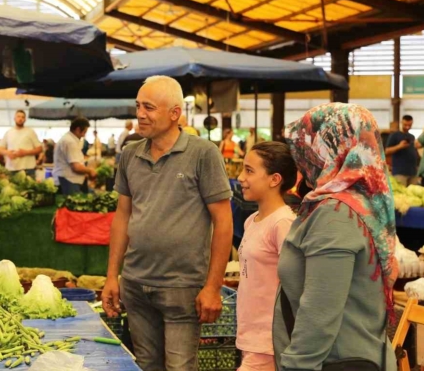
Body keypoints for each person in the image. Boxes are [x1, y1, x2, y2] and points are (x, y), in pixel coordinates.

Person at [102, 75, 234, 371]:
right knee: (146, 364)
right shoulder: (130, 155)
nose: (140, 114)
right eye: (138, 106)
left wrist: (213, 286)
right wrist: (112, 276)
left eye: (149, 107)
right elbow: (122, 216)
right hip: (135, 284)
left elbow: (224, 222)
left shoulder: (203, 154)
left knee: (179, 367)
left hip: (182, 287)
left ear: (175, 113)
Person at [274, 103, 397, 371]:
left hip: (336, 361)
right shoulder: (364, 205)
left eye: (307, 149)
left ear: (328, 148)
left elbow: (319, 313)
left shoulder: (335, 213)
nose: (302, 160)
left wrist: (296, 366)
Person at [235, 142, 297, 371]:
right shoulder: (251, 221)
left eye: (249, 171)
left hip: (269, 341)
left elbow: (295, 285)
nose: (241, 178)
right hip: (250, 336)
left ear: (275, 179)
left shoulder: (283, 223)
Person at [53, 118, 97, 195]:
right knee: (72, 202)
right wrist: (90, 171)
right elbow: (76, 167)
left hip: (67, 179)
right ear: (78, 129)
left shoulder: (68, 139)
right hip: (68, 180)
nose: (84, 135)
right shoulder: (70, 142)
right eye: (84, 132)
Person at [0, 110, 42, 174]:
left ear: (25, 120)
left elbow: (40, 149)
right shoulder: (9, 132)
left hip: (28, 169)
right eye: (18, 116)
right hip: (11, 169)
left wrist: (25, 152)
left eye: (23, 117)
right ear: (14, 118)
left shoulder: (30, 132)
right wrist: (7, 153)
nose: (20, 119)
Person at [385, 115, 419, 186]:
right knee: (400, 191)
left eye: (409, 125)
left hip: (412, 172)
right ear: (401, 122)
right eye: (405, 125)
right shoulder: (394, 135)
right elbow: (387, 151)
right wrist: (399, 146)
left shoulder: (412, 137)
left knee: (413, 192)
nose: (407, 127)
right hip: (400, 172)